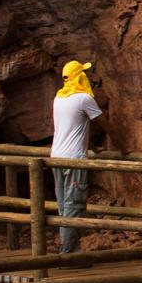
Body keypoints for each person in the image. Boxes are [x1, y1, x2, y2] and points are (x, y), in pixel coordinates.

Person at [50, 59, 104, 254]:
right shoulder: (83, 98)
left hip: (56, 156)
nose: (87, 77)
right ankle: (68, 253)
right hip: (74, 159)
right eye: (84, 73)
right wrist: (122, 146)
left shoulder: (59, 98)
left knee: (64, 204)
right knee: (74, 204)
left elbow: (76, 128)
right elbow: (102, 122)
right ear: (79, 76)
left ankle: (72, 249)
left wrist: (92, 147)